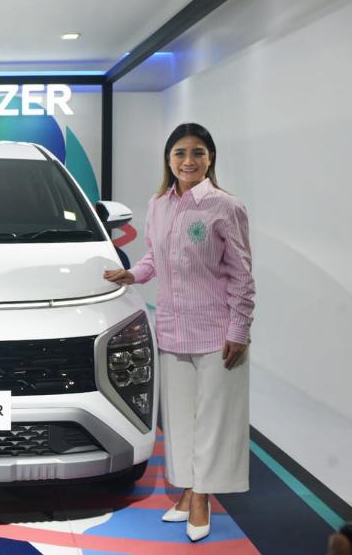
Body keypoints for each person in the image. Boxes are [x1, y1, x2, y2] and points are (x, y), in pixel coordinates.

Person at [104, 123, 255, 542]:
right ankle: (188, 490)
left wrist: (239, 329)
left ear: (211, 158)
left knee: (213, 419)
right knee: (180, 420)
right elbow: (155, 256)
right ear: (168, 159)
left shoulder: (225, 206)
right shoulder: (158, 204)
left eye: (198, 152)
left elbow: (242, 276)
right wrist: (132, 274)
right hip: (172, 329)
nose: (189, 161)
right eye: (180, 153)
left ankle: (203, 495)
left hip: (217, 332)